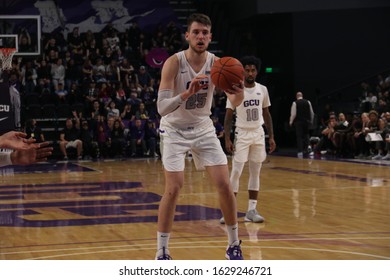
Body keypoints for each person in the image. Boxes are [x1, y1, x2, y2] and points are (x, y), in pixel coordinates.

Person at [155, 13, 244, 260]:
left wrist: (238, 92)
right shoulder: (174, 63)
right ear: (187, 36)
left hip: (203, 127)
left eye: (205, 32)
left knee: (225, 185)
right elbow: (161, 108)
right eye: (196, 32)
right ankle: (162, 251)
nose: (200, 36)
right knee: (173, 188)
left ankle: (234, 245)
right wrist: (187, 93)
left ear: (210, 36)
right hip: (173, 129)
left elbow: (235, 101)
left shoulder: (218, 64)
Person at [221, 56, 276, 225]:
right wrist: (227, 138)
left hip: (258, 133)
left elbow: (266, 114)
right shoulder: (235, 90)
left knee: (255, 171)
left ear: (257, 72)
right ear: (242, 71)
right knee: (236, 172)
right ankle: (230, 211)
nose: (250, 73)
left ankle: (251, 210)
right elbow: (228, 116)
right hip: (242, 133)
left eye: (253, 70)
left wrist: (271, 136)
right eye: (247, 70)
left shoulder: (263, 90)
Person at [289, 91, 315, 157]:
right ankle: (309, 148)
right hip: (306, 121)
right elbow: (312, 112)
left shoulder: (295, 103)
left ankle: (300, 151)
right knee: (306, 135)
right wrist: (311, 120)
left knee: (299, 136)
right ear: (302, 95)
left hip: (298, 122)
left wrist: (291, 122)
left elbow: (293, 114)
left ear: (296, 96)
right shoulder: (308, 102)